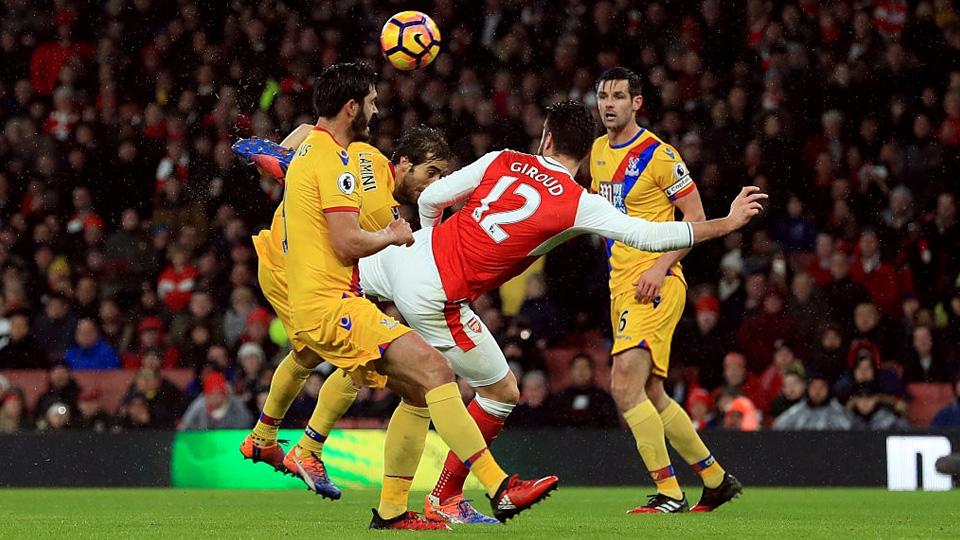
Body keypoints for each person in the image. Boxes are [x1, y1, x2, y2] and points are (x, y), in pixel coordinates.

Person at [238, 98, 764, 523]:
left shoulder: (505, 159)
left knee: (362, 344)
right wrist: (726, 222)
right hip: (436, 292)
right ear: (586, 148)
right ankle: (448, 496)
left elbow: (433, 197)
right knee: (498, 391)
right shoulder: (580, 203)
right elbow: (652, 235)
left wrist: (428, 241)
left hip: (406, 256)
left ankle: (316, 455)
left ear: (547, 139)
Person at [237, 62, 556, 530]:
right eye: (431, 174)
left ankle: (379, 504)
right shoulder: (350, 165)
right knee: (428, 367)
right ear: (404, 162)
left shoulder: (346, 153)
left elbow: (306, 133)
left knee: (409, 386)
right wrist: (393, 235)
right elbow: (350, 237)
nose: (434, 187)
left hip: (321, 285)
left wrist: (276, 156)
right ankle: (497, 486)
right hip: (303, 280)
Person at [590, 67, 742, 513]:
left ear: (637, 102)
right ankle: (715, 481)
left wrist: (660, 266)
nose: (609, 104)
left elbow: (694, 218)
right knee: (651, 394)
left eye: (618, 96)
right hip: (621, 284)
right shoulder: (598, 151)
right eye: (603, 96)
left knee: (623, 386)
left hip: (655, 284)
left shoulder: (659, 155)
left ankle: (669, 493)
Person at [551, 353, 619, 428]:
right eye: (577, 368)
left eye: (585, 367)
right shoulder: (560, 397)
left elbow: (611, 427)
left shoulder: (603, 398)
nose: (581, 372)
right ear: (571, 371)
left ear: (592, 371)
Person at [773, 374, 852, 431]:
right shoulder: (798, 410)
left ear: (828, 390)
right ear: (808, 389)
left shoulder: (837, 410)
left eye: (821, 387)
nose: (817, 391)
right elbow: (778, 426)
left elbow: (850, 428)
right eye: (814, 387)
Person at [179, 372, 253, 431]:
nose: (214, 397)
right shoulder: (199, 405)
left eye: (218, 393)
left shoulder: (236, 406)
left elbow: (246, 425)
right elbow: (184, 427)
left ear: (224, 394)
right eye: (210, 394)